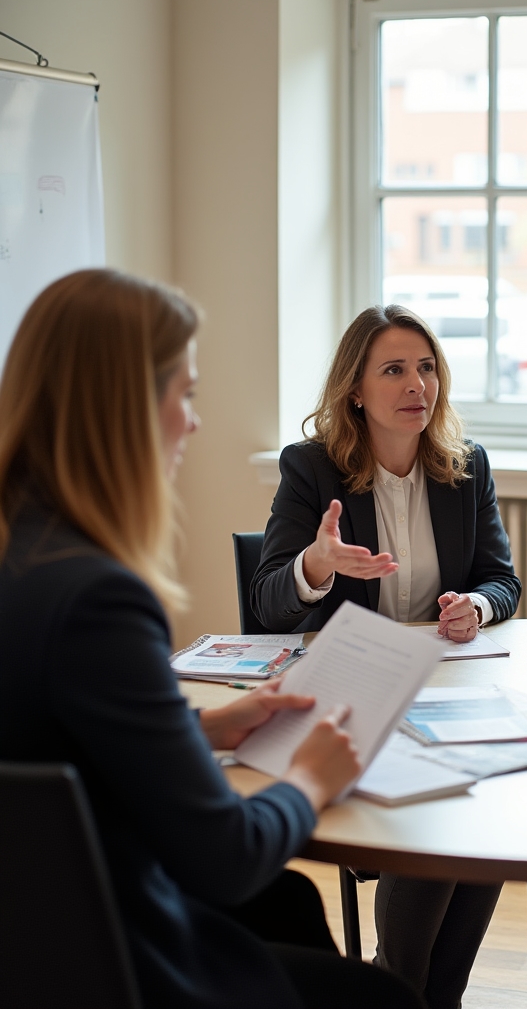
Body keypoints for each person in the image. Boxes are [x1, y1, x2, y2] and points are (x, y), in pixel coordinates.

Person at [0, 270, 425, 1009]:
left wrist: (204, 724)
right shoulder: (99, 598)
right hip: (110, 957)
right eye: (186, 394)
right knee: (380, 997)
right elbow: (225, 857)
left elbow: (46, 737)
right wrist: (310, 779)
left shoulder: (23, 554)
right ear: (125, 406)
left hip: (31, 929)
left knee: (287, 906)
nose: (194, 423)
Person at [252, 304, 521, 1009]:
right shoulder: (312, 469)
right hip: (358, 691)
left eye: (427, 367)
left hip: (446, 685)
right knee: (442, 806)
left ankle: (430, 995)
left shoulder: (466, 466)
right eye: (395, 370)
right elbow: (270, 602)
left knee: (481, 801)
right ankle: (399, 982)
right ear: (357, 391)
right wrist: (317, 561)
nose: (417, 386)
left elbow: (503, 578)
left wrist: (477, 606)